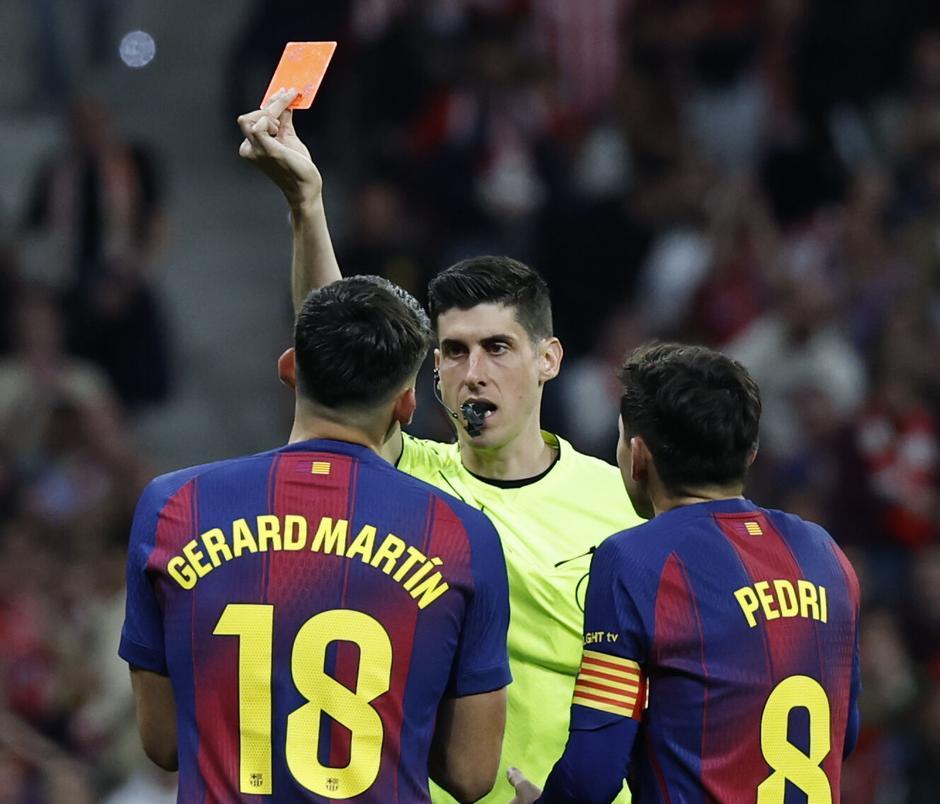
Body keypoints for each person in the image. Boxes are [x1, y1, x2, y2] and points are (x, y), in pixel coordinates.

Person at [237, 91, 642, 803]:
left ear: (548, 359)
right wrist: (307, 205)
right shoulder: (410, 480)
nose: (473, 371)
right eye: (454, 352)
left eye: (497, 348)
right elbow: (337, 351)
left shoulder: (623, 505)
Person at [118, 276, 511, 802]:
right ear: (406, 404)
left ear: (288, 369)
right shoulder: (463, 535)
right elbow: (471, 774)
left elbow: (163, 742)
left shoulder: (172, 507)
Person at [508, 343, 862, 802]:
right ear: (750, 452)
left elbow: (592, 776)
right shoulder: (825, 554)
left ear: (638, 455)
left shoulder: (636, 560)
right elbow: (843, 733)